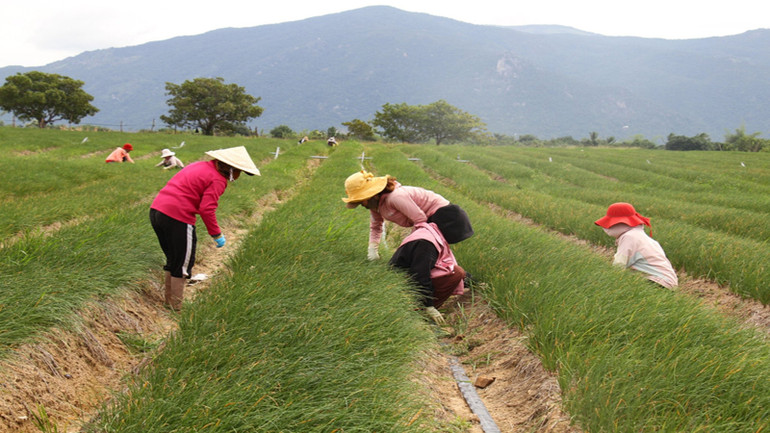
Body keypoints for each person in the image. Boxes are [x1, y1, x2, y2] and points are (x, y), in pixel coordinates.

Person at [149, 146, 260, 310]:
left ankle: (169, 303)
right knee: (183, 264)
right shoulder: (218, 179)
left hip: (157, 211)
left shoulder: (198, 165)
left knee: (173, 259)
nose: (237, 177)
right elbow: (206, 209)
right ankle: (176, 308)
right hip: (178, 216)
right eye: (239, 172)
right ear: (230, 168)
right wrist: (216, 234)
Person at [342, 170, 473, 260]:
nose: (362, 204)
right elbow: (376, 227)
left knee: (426, 257)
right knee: (426, 258)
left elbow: (420, 219)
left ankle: (460, 280)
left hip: (447, 218)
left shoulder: (395, 197)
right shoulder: (375, 206)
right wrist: (372, 250)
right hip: (429, 221)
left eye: (361, 200)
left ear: (372, 195)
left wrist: (409, 243)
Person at [389, 222, 465, 324]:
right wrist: (428, 306)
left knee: (459, 273)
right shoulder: (426, 243)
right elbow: (420, 275)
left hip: (406, 279)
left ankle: (421, 309)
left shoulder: (428, 233)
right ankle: (419, 314)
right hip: (401, 286)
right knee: (457, 273)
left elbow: (440, 266)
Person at [594, 202, 678, 289]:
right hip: (669, 281)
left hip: (657, 281)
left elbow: (619, 264)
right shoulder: (641, 236)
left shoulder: (629, 237)